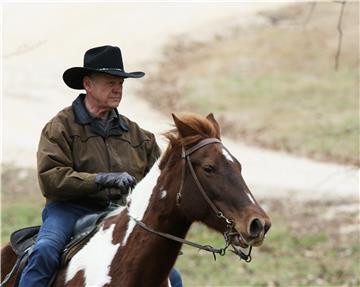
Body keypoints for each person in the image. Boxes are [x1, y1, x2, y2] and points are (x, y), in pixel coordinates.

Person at [19, 45, 183, 287]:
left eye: (121, 83)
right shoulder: (60, 127)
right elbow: (51, 179)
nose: (117, 89)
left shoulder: (140, 137)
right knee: (44, 251)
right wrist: (101, 179)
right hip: (68, 211)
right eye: (110, 82)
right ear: (88, 84)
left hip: (119, 213)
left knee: (172, 277)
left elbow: (156, 188)